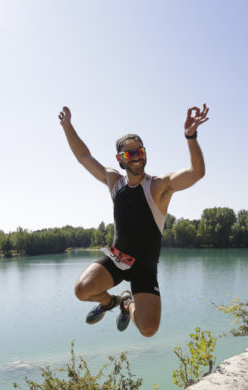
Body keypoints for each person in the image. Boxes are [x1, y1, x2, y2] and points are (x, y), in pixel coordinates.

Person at [58, 104, 209, 337]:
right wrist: (68, 126)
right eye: (130, 154)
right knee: (82, 290)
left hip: (144, 269)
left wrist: (191, 136)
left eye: (140, 151)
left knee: (148, 329)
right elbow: (84, 157)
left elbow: (196, 173)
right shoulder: (114, 181)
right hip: (117, 259)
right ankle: (111, 302)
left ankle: (127, 303)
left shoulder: (159, 186)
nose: (137, 157)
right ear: (120, 159)